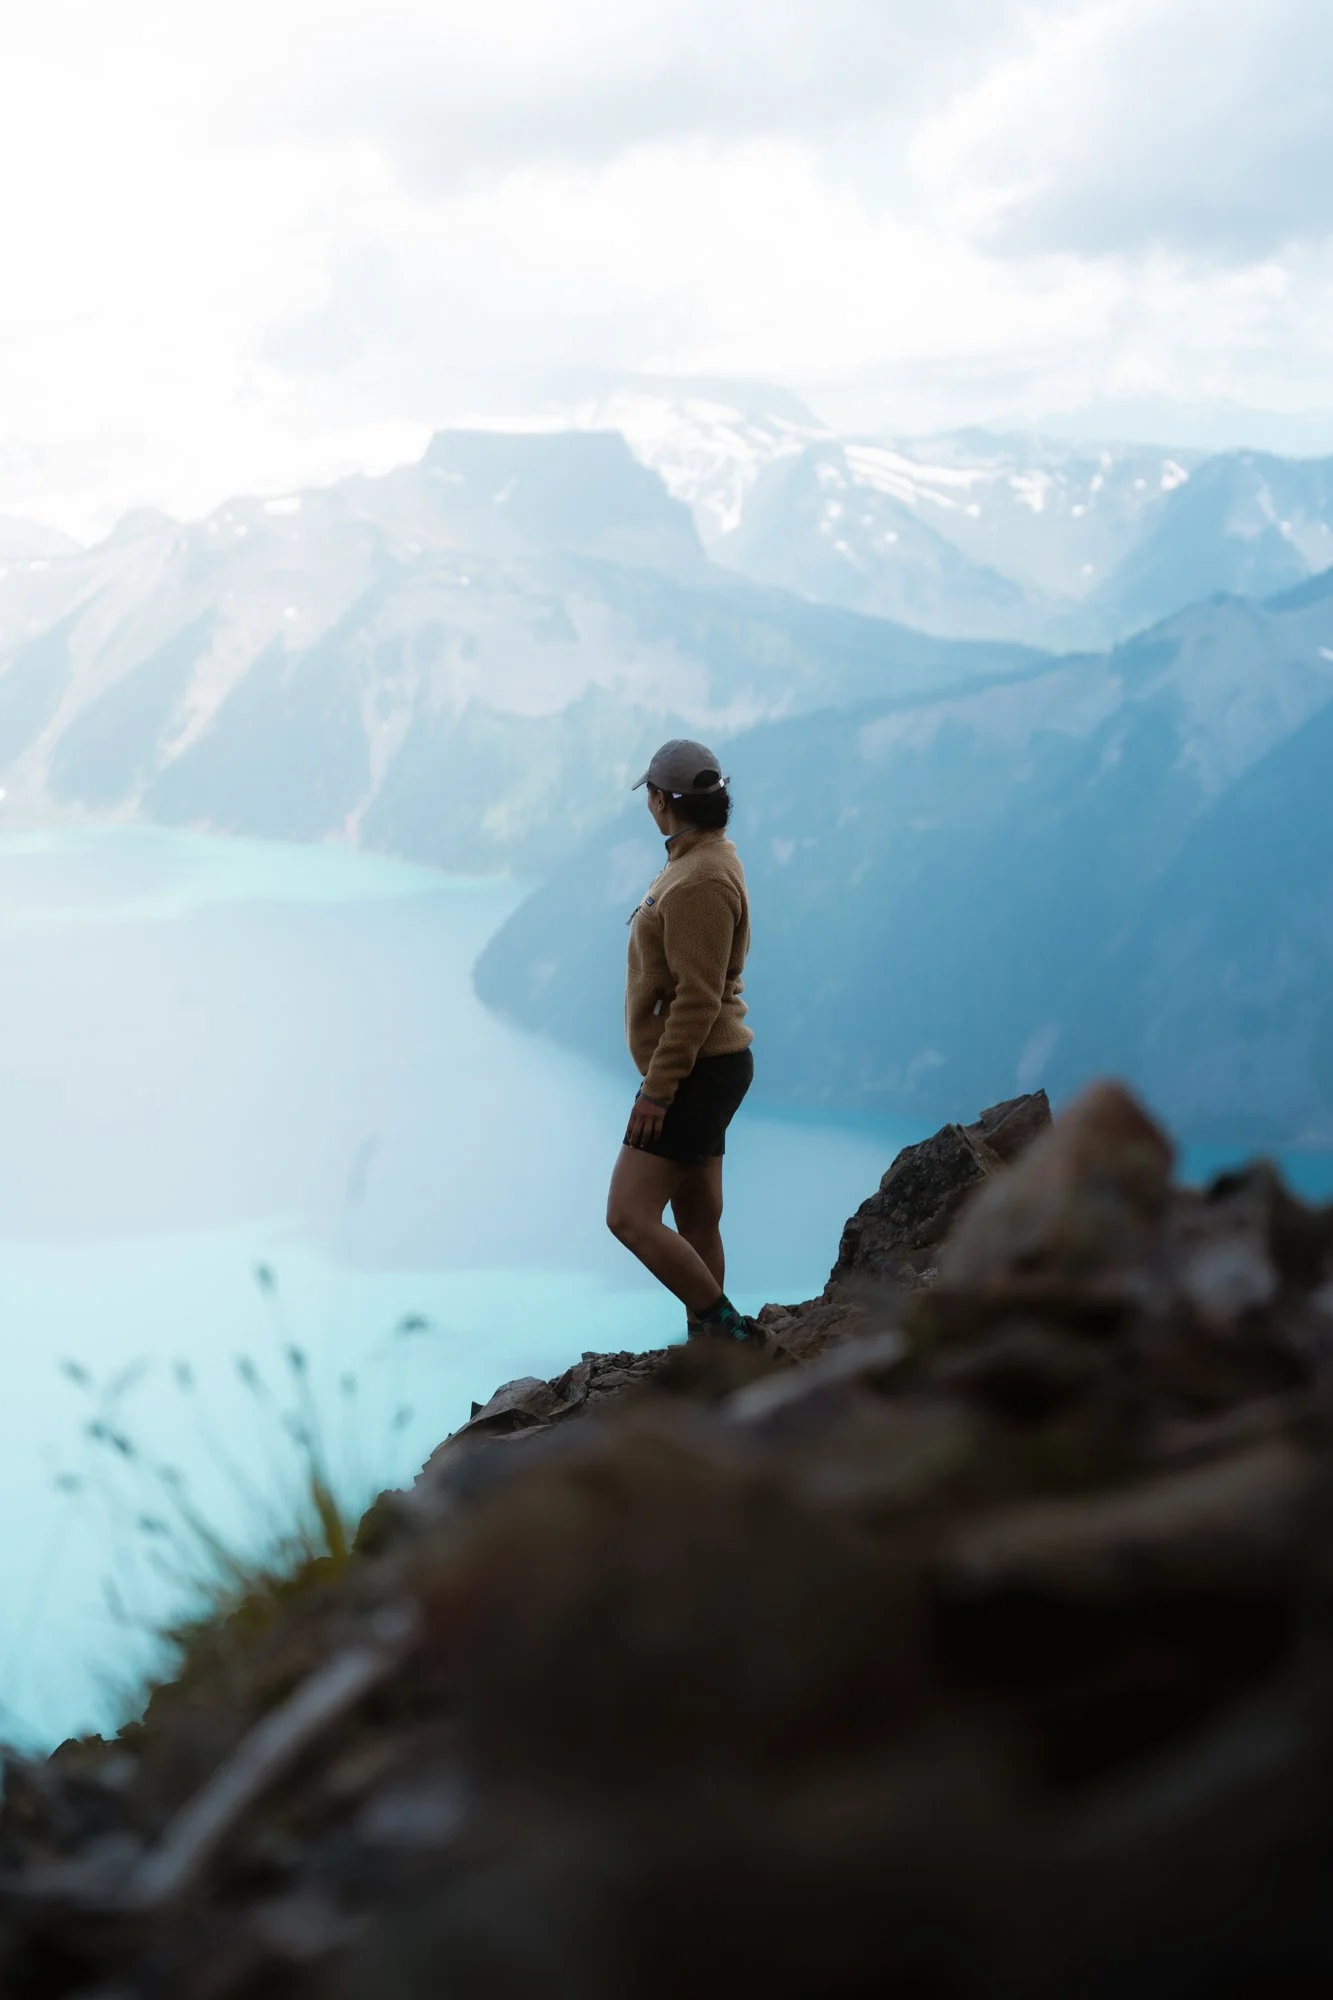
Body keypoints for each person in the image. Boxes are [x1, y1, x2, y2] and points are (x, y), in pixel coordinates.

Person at [606, 737, 760, 1342]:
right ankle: (712, 1354)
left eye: (649, 792)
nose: (647, 802)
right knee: (697, 1219)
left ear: (664, 802)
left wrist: (658, 1092)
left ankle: (728, 1333)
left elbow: (697, 1000)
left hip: (694, 1073)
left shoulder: (698, 879)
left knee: (628, 1216)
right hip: (712, 1066)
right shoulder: (704, 856)